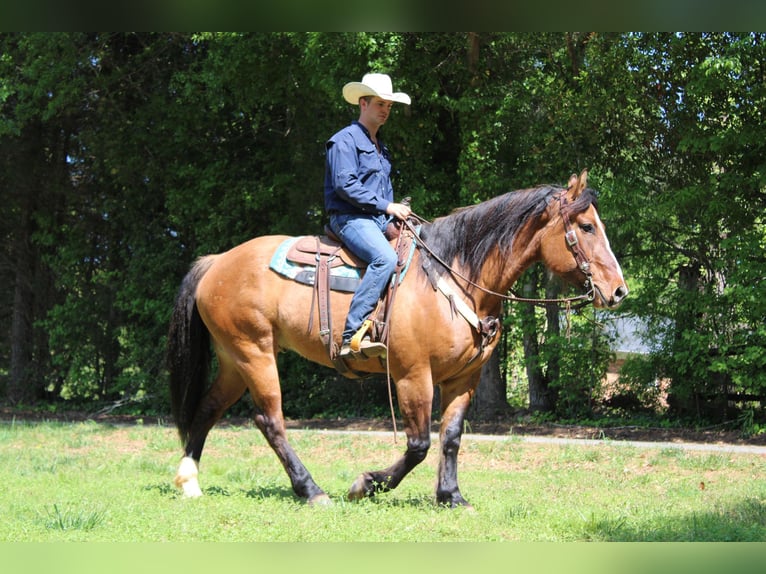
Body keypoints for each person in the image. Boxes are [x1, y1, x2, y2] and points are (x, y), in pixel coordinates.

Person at [324, 73, 412, 359]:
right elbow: (345, 185)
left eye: (389, 105)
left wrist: (393, 217)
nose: (386, 110)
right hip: (348, 218)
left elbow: (382, 193)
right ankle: (352, 335)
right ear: (363, 103)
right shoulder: (343, 140)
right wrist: (388, 207)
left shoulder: (381, 148)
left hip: (375, 220)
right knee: (384, 258)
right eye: (379, 104)